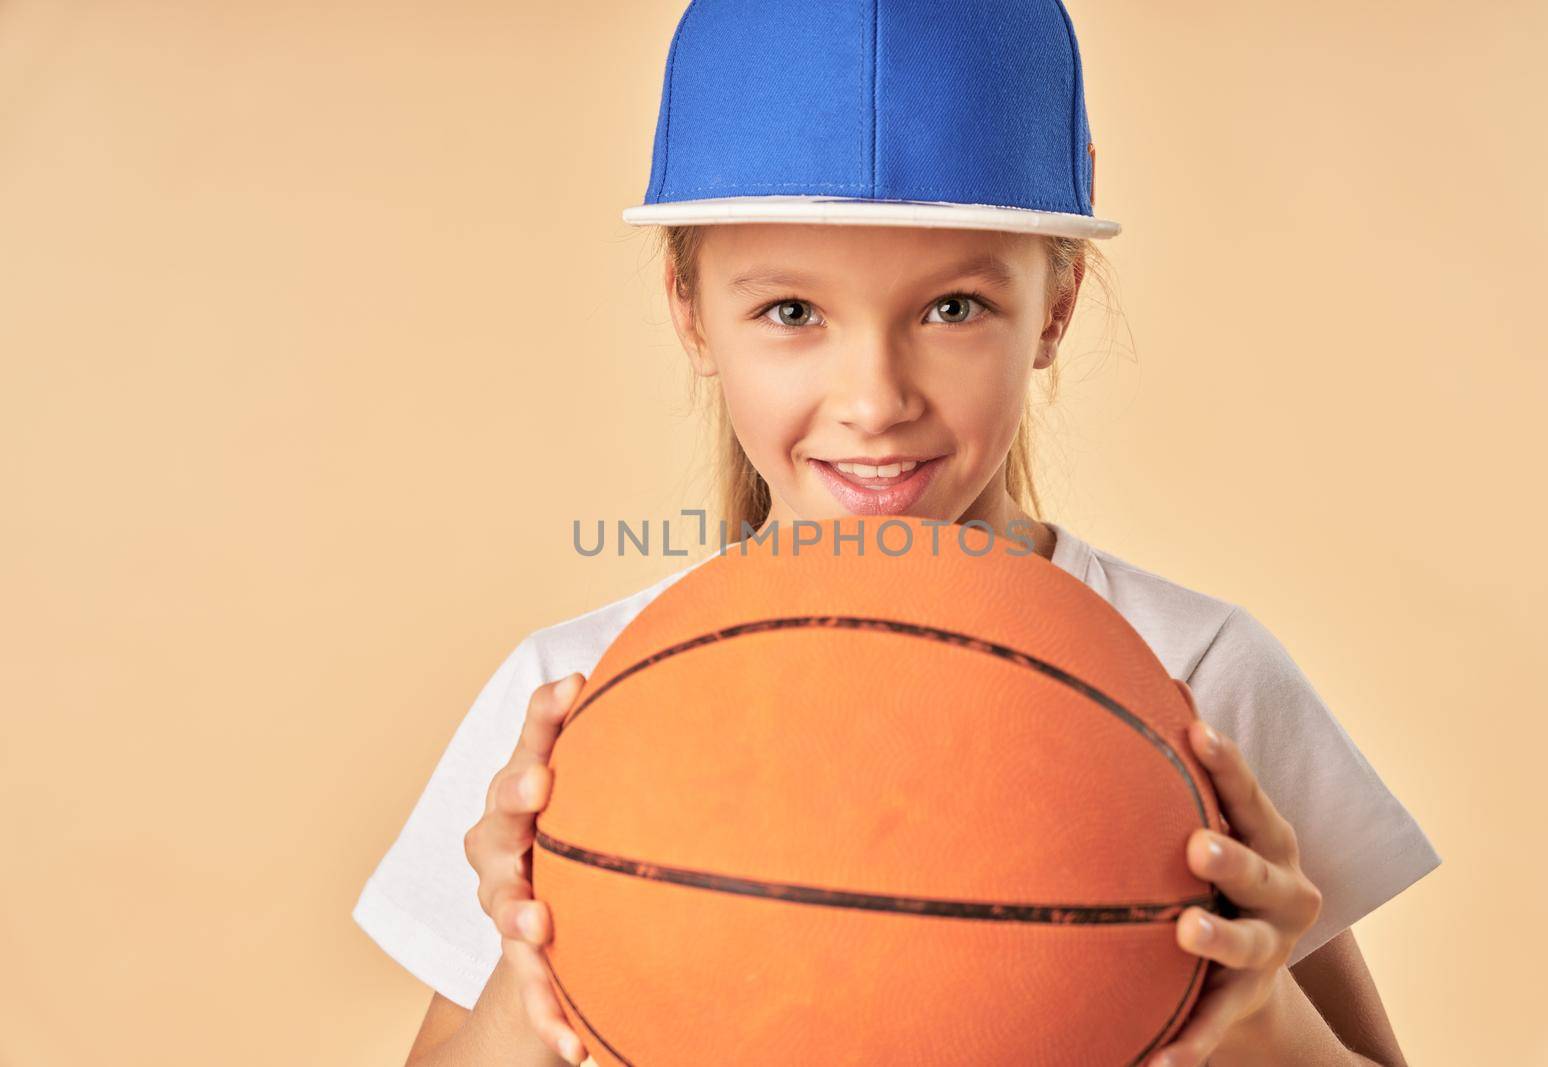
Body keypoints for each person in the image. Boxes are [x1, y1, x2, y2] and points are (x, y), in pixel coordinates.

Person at [352, 2, 1441, 1064]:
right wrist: (529, 961)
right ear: (690, 312)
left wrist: (1261, 1024)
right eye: (791, 312)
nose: (874, 398)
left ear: (1054, 304)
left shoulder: (1201, 677)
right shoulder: (573, 691)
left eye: (953, 307)